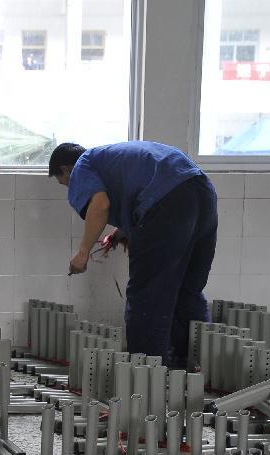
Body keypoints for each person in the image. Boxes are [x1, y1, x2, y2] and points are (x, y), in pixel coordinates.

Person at [49, 141, 218, 368]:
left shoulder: (82, 165)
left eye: (64, 183)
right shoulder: (112, 159)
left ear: (66, 169)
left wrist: (83, 253)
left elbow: (99, 205)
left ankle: (146, 376)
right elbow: (156, 188)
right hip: (202, 192)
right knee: (188, 289)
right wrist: (124, 231)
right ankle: (194, 367)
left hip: (168, 203)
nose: (71, 188)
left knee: (147, 296)